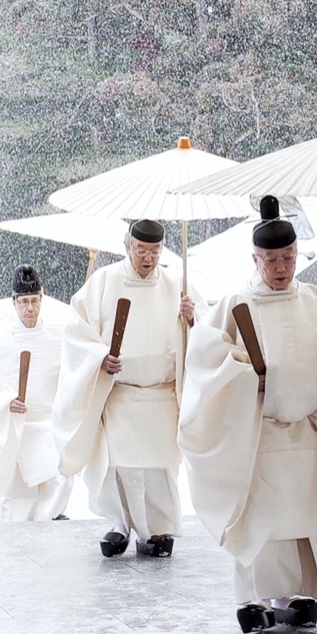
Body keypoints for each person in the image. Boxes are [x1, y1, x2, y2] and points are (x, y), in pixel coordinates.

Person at [178, 195, 317, 633]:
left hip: (307, 431)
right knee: (260, 522)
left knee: (301, 521)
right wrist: (243, 379)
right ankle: (253, 599)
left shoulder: (316, 302)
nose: (281, 268)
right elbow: (205, 357)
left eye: (288, 258)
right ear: (255, 259)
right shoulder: (236, 304)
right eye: (272, 260)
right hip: (259, 434)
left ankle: (298, 593)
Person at [54, 219, 199, 558]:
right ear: (127, 247)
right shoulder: (104, 281)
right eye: (141, 251)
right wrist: (99, 358)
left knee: (159, 468)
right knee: (121, 466)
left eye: (154, 252)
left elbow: (205, 336)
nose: (147, 259)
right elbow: (77, 332)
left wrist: (192, 319)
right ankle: (120, 525)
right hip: (121, 394)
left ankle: (157, 530)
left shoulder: (177, 285)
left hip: (162, 393)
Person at [0, 265, 73, 521]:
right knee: (17, 499)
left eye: (35, 301)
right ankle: (20, 544)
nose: (30, 308)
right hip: (13, 428)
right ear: (14, 302)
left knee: (60, 477)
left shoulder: (58, 335)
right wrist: (5, 402)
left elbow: (71, 375)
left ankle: (49, 527)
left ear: (43, 296)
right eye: (24, 302)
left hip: (47, 426)